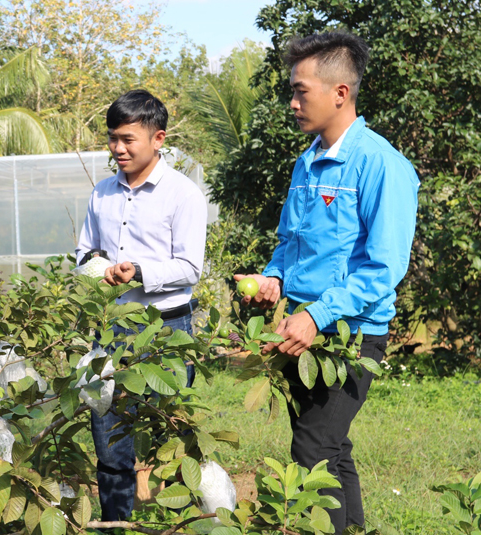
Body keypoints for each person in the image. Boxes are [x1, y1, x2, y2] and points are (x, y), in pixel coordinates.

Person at [234, 32, 419, 533]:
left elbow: (383, 269)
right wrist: (272, 278)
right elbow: (290, 243)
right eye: (291, 93)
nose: (292, 104)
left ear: (340, 92)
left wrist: (316, 314)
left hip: (349, 336)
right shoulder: (307, 162)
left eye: (301, 92)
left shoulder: (382, 165)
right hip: (300, 332)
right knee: (331, 451)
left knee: (311, 456)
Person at [75, 89, 208, 521]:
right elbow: (83, 256)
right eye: (113, 138)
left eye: (128, 139)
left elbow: (190, 267)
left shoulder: (183, 195)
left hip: (167, 330)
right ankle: (117, 522)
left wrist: (140, 272)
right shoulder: (101, 194)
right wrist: (101, 269)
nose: (118, 148)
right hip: (111, 329)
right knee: (108, 434)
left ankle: (177, 522)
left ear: (158, 138)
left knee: (166, 433)